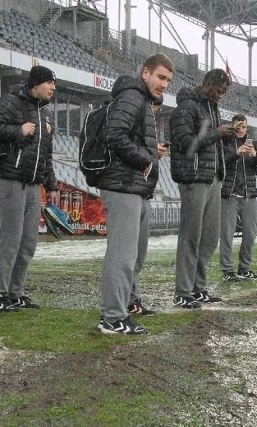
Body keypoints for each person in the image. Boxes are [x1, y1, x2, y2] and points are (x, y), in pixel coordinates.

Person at [97, 54, 173, 335]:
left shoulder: (139, 99)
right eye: (160, 77)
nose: (164, 84)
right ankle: (112, 318)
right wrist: (145, 159)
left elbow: (125, 137)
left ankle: (125, 307)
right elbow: (114, 135)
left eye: (168, 80)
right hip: (122, 184)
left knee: (133, 255)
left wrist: (151, 154)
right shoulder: (132, 96)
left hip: (134, 186)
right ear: (145, 73)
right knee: (122, 255)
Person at [0, 65, 59, 311]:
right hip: (11, 179)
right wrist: (17, 130)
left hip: (33, 183)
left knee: (28, 242)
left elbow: (46, 154)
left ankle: (15, 293)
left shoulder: (45, 116)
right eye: (49, 83)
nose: (53, 88)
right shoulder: (12, 103)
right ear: (35, 84)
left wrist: (52, 184)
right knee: (10, 239)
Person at [170, 68, 235, 309]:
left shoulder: (211, 107)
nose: (221, 95)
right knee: (191, 236)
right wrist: (216, 134)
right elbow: (186, 143)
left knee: (209, 237)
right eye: (219, 90)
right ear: (207, 83)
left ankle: (198, 288)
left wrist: (225, 136)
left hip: (212, 177)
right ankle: (183, 291)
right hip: (194, 177)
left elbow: (208, 143)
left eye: (224, 92)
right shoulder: (187, 106)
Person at [219, 114, 257, 281]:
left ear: (247, 128)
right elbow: (219, 163)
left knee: (250, 233)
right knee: (227, 234)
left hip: (249, 195)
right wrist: (236, 153)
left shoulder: (254, 144)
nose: (241, 130)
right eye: (238, 127)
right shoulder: (225, 142)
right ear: (233, 128)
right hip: (229, 194)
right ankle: (228, 270)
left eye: (244, 127)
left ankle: (245, 268)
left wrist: (255, 155)